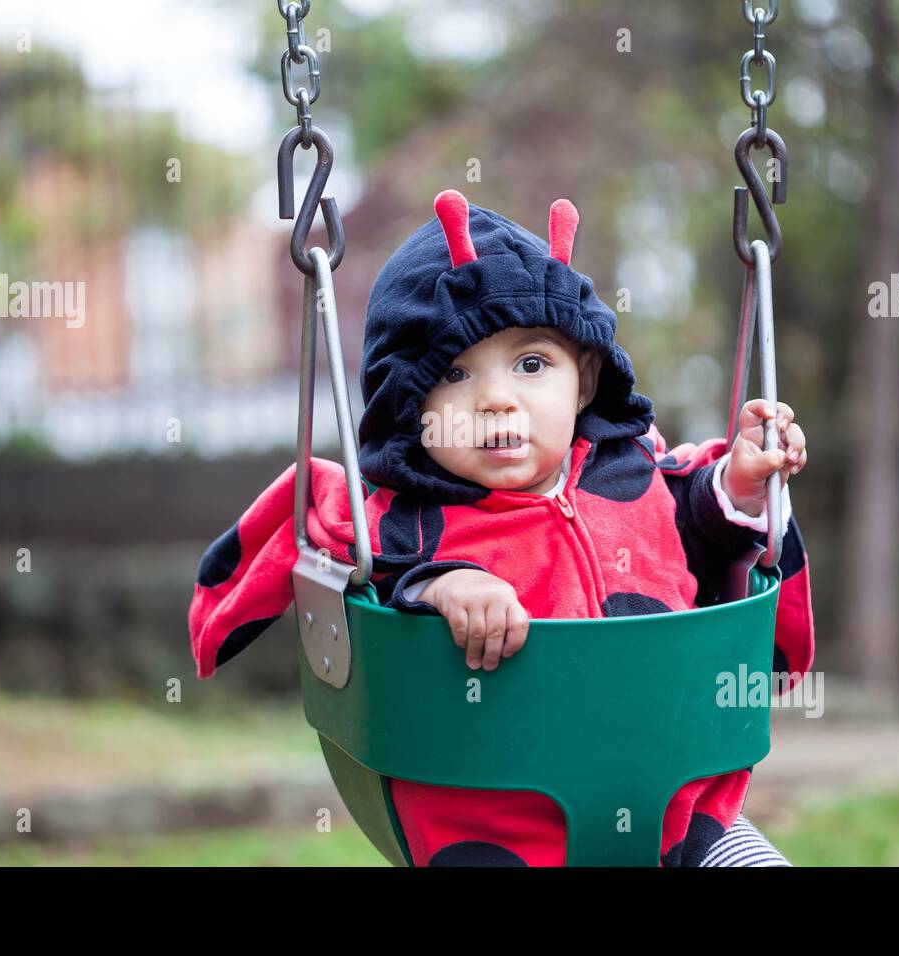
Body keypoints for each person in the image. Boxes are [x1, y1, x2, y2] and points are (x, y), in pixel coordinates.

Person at [187, 188, 815, 867]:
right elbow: (386, 580)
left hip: (674, 810)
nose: (495, 399)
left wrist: (745, 485)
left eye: (532, 363)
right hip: (505, 827)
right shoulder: (412, 518)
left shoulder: (637, 471)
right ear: (409, 405)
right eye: (454, 372)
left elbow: (708, 527)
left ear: (584, 381)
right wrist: (445, 587)